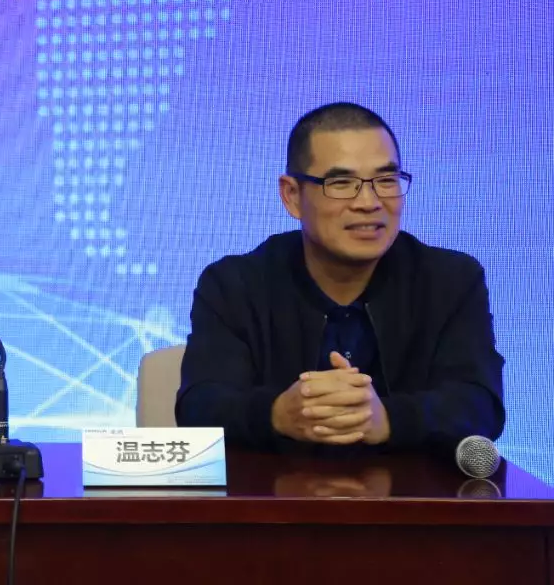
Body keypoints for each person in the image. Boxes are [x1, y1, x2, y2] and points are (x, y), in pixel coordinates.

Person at [175, 102, 505, 455]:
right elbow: (200, 406)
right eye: (342, 183)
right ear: (292, 196)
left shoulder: (451, 281)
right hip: (273, 490)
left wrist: (387, 419)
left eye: (386, 180)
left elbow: (480, 403)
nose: (369, 202)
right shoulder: (233, 285)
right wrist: (278, 414)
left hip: (411, 490)